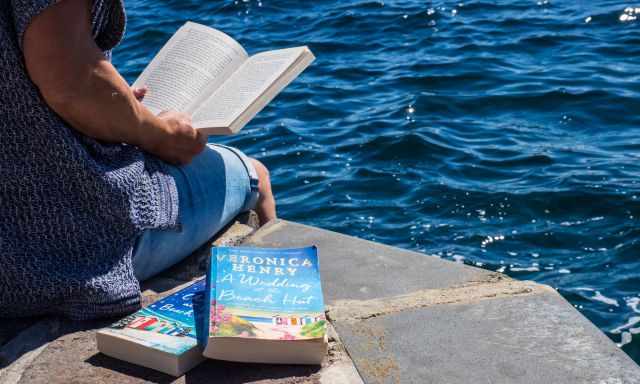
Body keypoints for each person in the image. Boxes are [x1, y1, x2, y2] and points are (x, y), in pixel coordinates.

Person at [0, 0, 276, 320]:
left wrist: (117, 109)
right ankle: (276, 320)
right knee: (255, 175)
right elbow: (69, 79)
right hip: (55, 246)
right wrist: (159, 135)